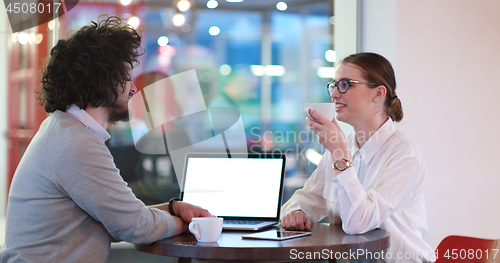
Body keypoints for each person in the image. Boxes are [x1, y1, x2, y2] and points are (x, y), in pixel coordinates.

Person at [0, 16, 211, 263]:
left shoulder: (67, 130)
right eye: (126, 78)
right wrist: (188, 225)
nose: (133, 88)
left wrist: (173, 208)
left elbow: (121, 216)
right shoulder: (75, 142)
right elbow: (135, 227)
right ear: (104, 81)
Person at [280, 52, 433, 262]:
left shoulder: (404, 153)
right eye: (333, 85)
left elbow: (358, 223)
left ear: (378, 93)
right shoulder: (343, 145)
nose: (334, 94)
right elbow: (305, 199)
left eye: (345, 84)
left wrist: (340, 154)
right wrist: (297, 212)